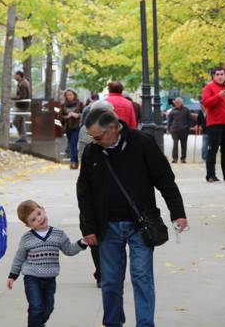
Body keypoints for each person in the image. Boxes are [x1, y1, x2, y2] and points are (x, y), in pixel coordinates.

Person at [77, 108, 188, 327]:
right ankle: (113, 322)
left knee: (142, 277)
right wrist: (87, 227)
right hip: (107, 227)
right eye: (92, 137)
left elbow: (165, 180)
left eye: (98, 137)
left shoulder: (142, 143)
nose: (95, 141)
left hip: (141, 225)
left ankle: (145, 324)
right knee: (110, 281)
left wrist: (178, 213)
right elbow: (84, 192)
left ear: (113, 128)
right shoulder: (92, 152)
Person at [7, 200, 88, 327]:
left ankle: (39, 323)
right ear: (28, 225)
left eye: (39, 214)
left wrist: (81, 243)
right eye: (33, 220)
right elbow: (19, 258)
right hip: (31, 277)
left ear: (43, 209)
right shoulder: (27, 238)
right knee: (36, 307)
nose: (39, 219)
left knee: (48, 307)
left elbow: (69, 250)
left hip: (50, 279)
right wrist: (13, 275)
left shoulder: (58, 234)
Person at [76, 99, 115, 288]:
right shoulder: (90, 132)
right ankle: (102, 272)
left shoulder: (114, 132)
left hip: (101, 185)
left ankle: (103, 272)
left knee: (98, 232)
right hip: (94, 185)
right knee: (94, 231)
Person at [60, 89, 84, 170]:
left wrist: (77, 115)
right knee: (71, 143)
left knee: (74, 143)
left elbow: (84, 114)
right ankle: (75, 161)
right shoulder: (63, 105)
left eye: (70, 94)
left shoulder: (80, 104)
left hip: (77, 127)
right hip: (68, 127)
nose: (69, 96)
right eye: (67, 95)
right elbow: (60, 117)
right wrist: (66, 117)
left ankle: (73, 162)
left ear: (74, 95)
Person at [167, 97, 192, 163]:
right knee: (175, 144)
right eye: (176, 103)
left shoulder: (186, 110)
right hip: (174, 130)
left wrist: (188, 127)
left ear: (181, 103)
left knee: (184, 145)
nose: (177, 104)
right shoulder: (173, 110)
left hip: (184, 130)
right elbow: (169, 120)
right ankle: (175, 158)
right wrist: (168, 129)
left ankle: (183, 158)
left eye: (178, 103)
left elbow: (190, 119)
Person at [12, 70, 31, 143]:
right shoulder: (22, 82)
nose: (14, 77)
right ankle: (23, 137)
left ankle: (23, 137)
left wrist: (12, 98)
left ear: (19, 75)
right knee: (21, 121)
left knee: (15, 121)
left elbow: (23, 96)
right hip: (23, 106)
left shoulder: (23, 84)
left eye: (15, 75)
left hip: (22, 106)